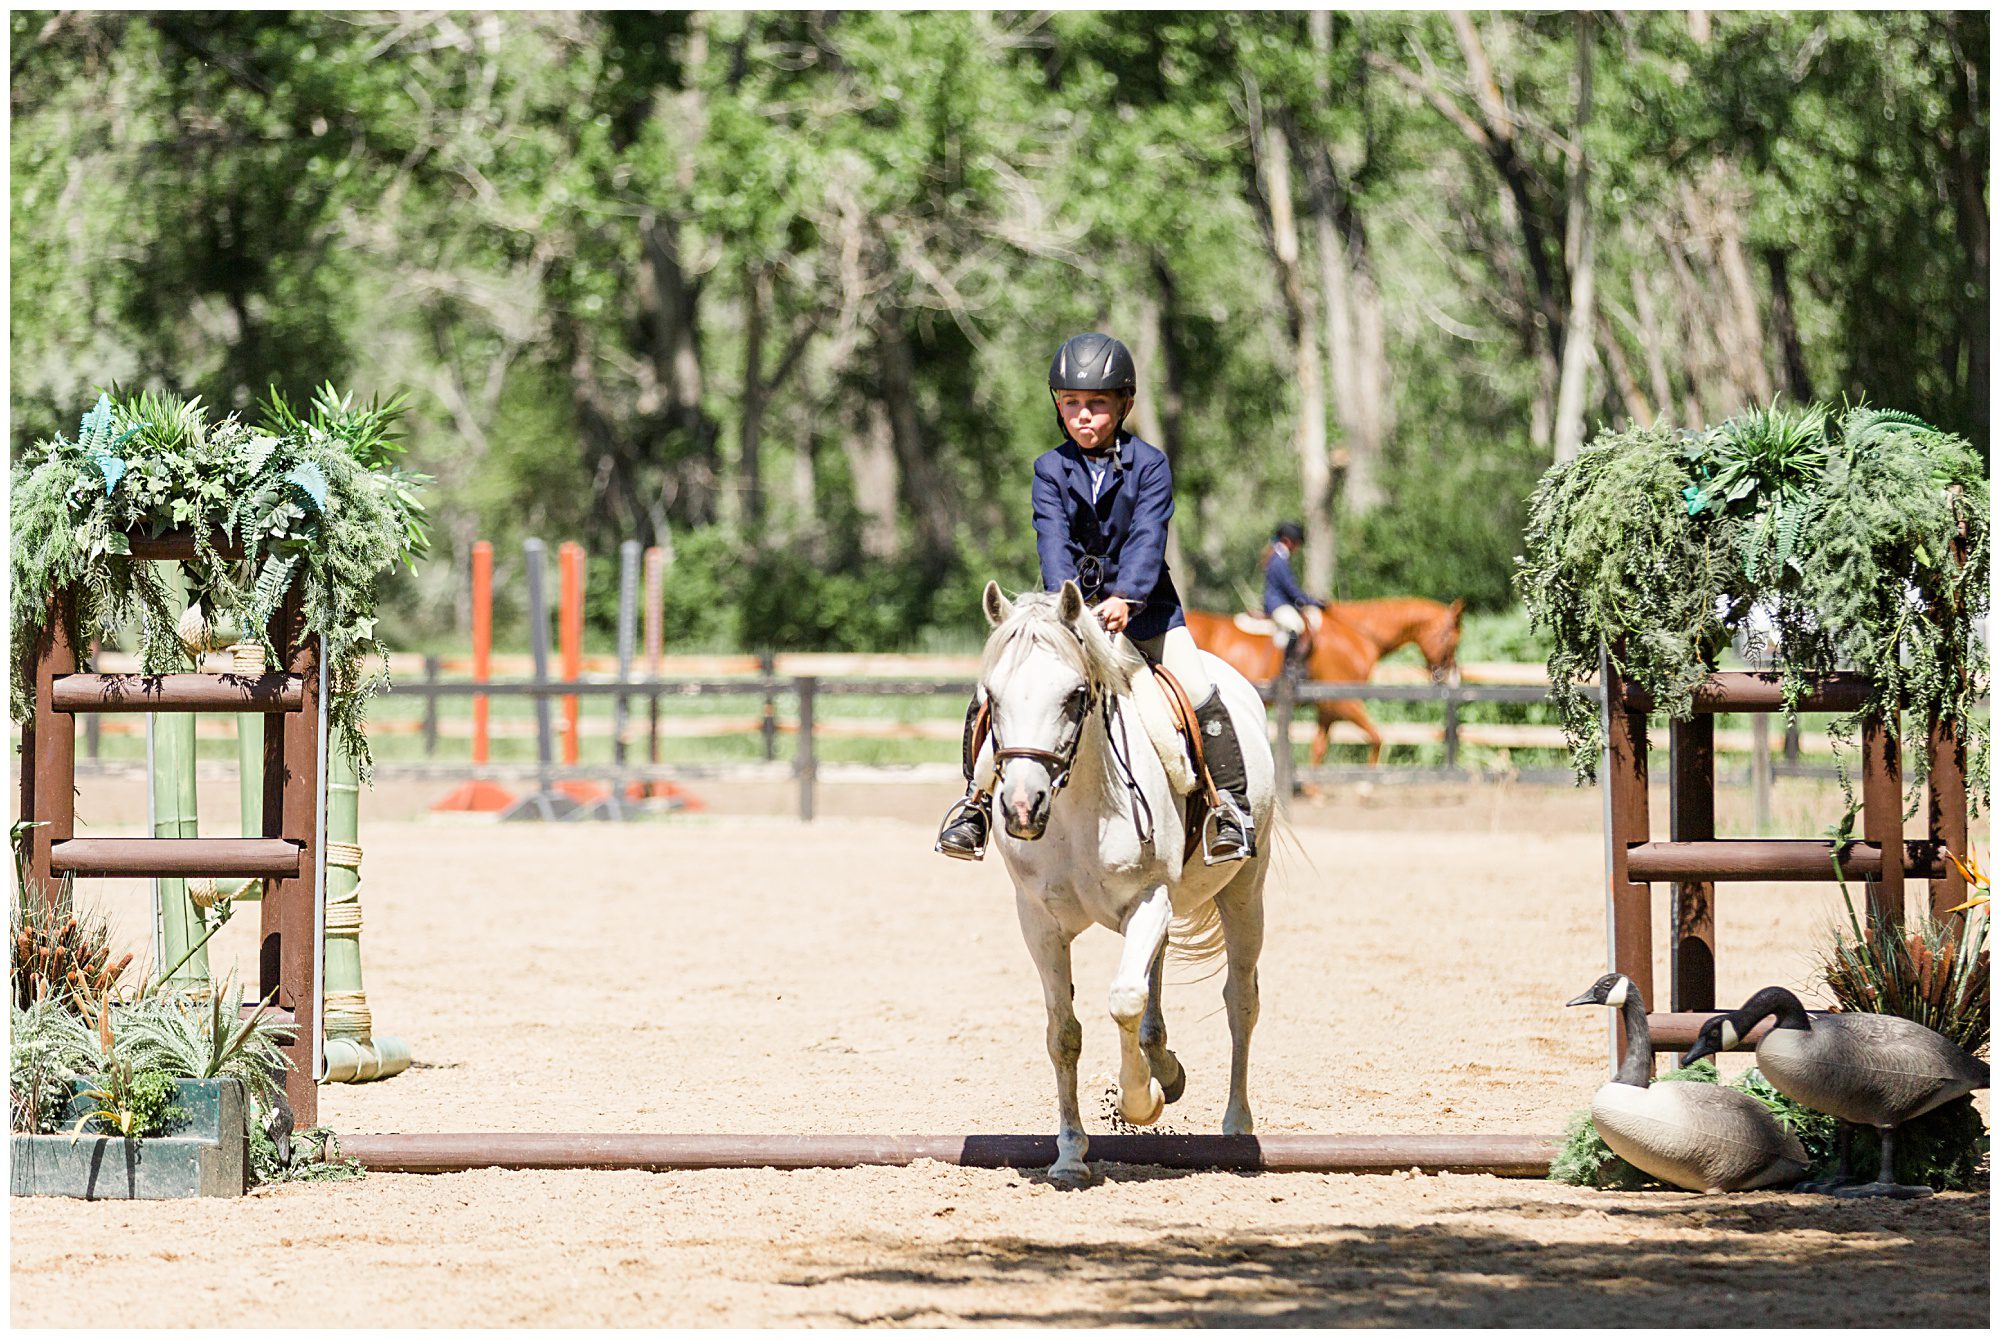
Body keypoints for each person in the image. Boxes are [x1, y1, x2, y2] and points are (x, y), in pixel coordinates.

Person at [936, 332, 1258, 866]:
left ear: (1124, 405)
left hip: (1149, 616)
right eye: (1072, 404)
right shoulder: (1048, 470)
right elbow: (1052, 541)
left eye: (1097, 404)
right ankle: (974, 804)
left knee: (1199, 692)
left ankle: (1231, 809)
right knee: (993, 691)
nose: (1083, 415)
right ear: (1059, 407)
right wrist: (1075, 612)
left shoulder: (1151, 465)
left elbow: (1148, 538)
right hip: (1072, 620)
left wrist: (1128, 598)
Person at [1263, 521, 1327, 672]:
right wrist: (1311, 602)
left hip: (1281, 602)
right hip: (1277, 604)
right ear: (1288, 541)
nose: (1297, 548)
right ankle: (1288, 666)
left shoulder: (1279, 557)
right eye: (1297, 544)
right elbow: (1290, 589)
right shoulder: (1279, 560)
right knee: (1296, 626)